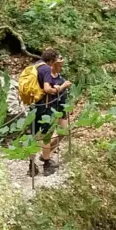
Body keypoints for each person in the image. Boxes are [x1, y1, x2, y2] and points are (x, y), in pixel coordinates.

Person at [32, 48, 72, 176]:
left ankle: (41, 159)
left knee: (39, 135)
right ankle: (46, 162)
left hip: (38, 104)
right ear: (52, 62)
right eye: (58, 62)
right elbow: (47, 89)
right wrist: (60, 88)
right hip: (45, 106)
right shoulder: (47, 70)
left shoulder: (36, 66)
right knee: (45, 135)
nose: (61, 65)